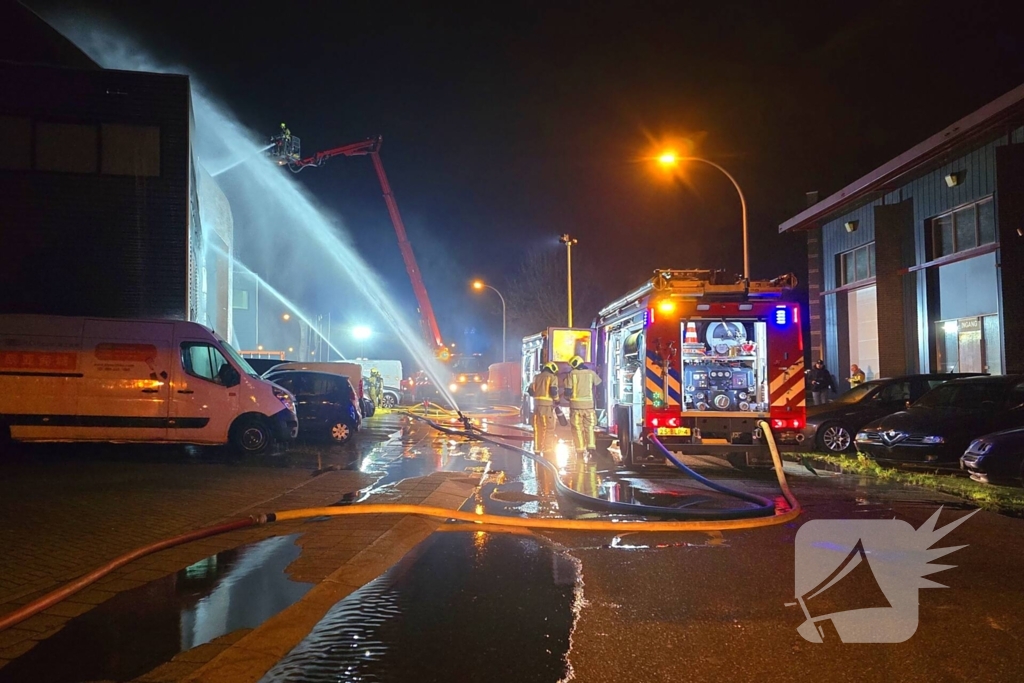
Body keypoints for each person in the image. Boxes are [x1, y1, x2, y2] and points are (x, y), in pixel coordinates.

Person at [564, 355, 602, 455]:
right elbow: (600, 385)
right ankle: (591, 448)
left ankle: (580, 450)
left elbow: (568, 390)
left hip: (576, 407)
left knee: (577, 428)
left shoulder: (572, 374)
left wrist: (567, 398)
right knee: (589, 427)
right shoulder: (591, 373)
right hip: (589, 406)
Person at [528, 362, 559, 453]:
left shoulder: (536, 377)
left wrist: (538, 395)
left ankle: (537, 449)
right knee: (548, 428)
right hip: (546, 407)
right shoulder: (552, 377)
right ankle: (547, 449)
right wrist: (557, 400)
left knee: (537, 428)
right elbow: (553, 390)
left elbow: (530, 391)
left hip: (536, 407)